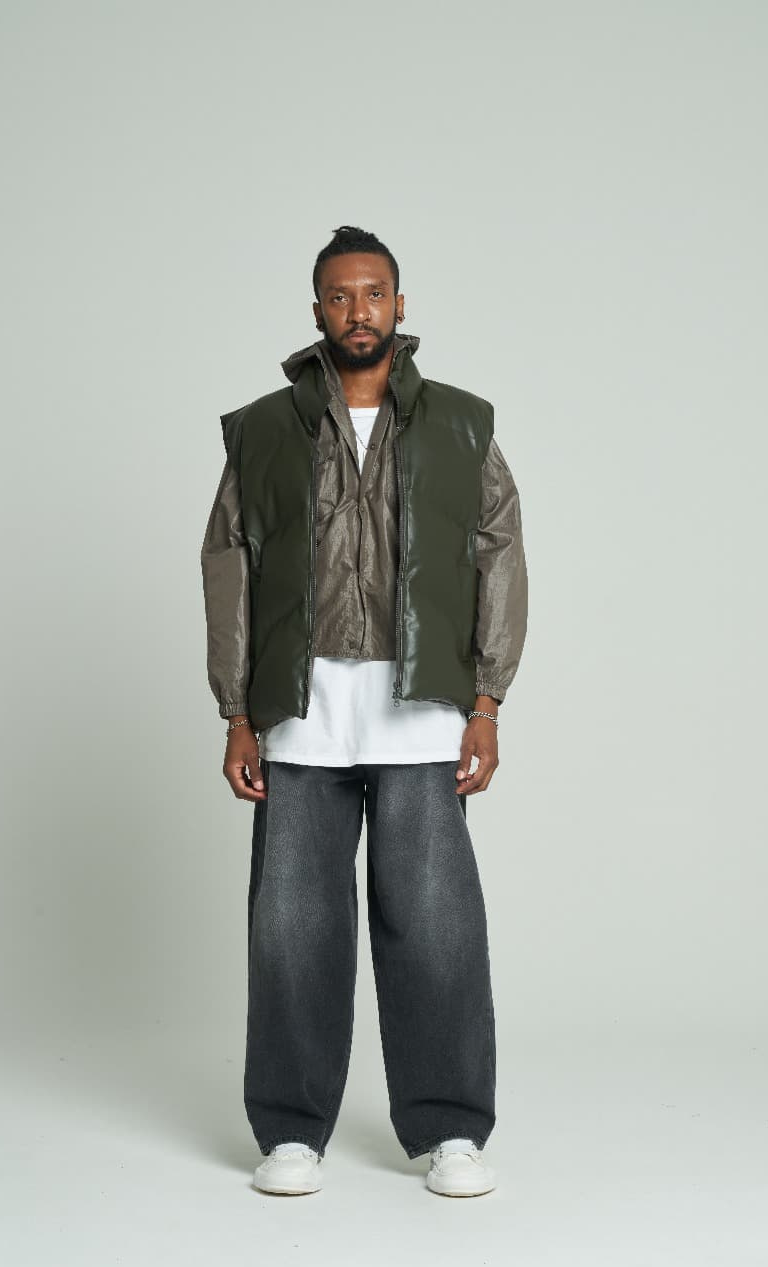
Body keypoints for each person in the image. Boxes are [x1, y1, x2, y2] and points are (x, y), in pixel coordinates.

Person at [200, 225, 528, 1198]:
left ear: (399, 305)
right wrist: (237, 711)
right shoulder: (264, 429)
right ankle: (291, 1132)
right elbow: (230, 565)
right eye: (340, 296)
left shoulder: (460, 424)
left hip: (421, 709)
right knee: (292, 929)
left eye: (373, 293)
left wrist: (487, 700)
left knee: (433, 927)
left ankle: (449, 1131)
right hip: (299, 711)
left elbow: (499, 554)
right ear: (318, 311)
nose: (358, 311)